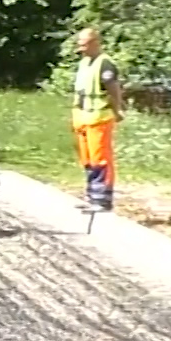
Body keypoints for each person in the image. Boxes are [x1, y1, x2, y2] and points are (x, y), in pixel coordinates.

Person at [71, 27, 126, 212]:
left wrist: (117, 110)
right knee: (88, 160)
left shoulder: (105, 64)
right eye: (79, 44)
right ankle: (91, 196)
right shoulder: (84, 63)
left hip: (99, 119)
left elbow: (113, 90)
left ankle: (103, 199)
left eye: (84, 45)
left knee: (100, 160)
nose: (81, 49)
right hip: (82, 119)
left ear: (95, 43)